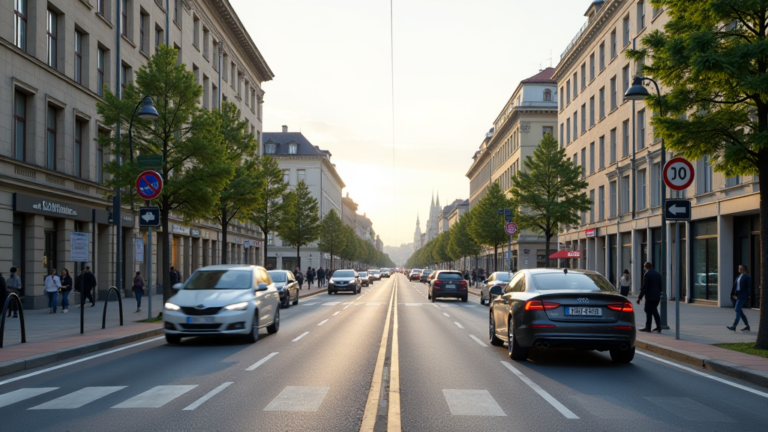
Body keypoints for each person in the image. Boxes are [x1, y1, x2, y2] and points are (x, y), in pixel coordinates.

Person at [637, 262, 662, 333]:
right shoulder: (657, 274)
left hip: (650, 296)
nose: (644, 268)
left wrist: (639, 297)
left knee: (648, 310)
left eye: (644, 267)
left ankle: (648, 327)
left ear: (646, 267)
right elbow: (660, 286)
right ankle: (658, 326)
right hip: (657, 296)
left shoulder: (647, 274)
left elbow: (645, 286)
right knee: (654, 310)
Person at [728, 265, 751, 331]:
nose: (739, 269)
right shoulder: (738, 277)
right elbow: (735, 286)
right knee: (740, 312)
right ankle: (747, 326)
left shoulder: (747, 277)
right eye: (739, 268)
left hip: (743, 295)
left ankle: (734, 326)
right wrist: (732, 294)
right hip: (737, 295)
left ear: (743, 269)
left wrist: (749, 295)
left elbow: (749, 287)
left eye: (740, 268)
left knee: (737, 309)